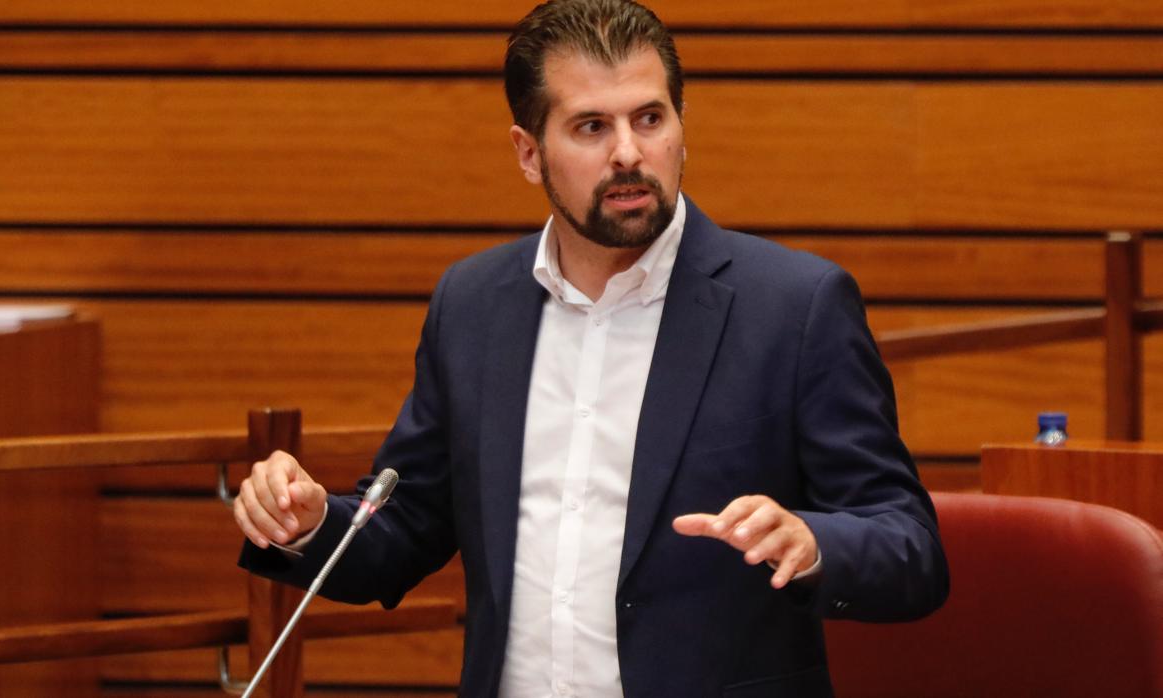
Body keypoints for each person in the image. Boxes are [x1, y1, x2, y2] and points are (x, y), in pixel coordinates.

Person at [234, 1, 949, 695]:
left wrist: (814, 543)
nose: (629, 153)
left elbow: (910, 548)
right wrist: (309, 524)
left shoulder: (794, 307)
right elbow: (407, 527)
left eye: (649, 118)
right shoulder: (474, 305)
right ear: (529, 153)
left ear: (682, 127)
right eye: (591, 127)